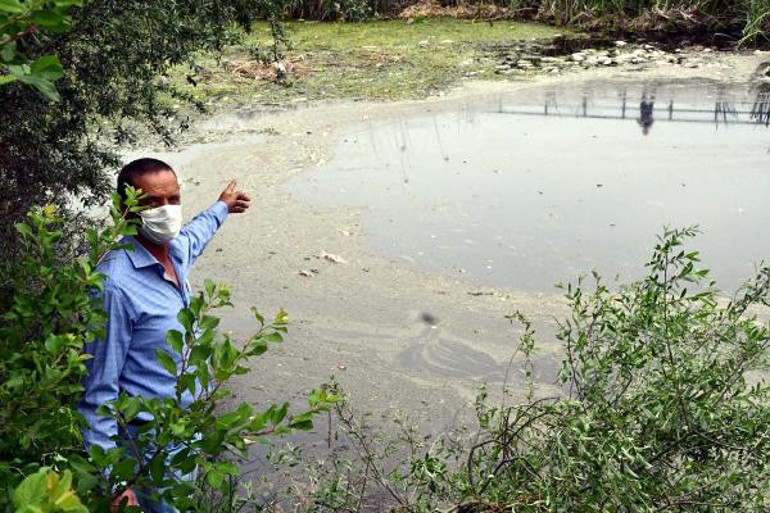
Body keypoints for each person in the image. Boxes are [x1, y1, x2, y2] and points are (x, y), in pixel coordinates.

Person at [78, 158, 251, 512]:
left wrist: (222, 206)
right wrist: (114, 480)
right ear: (124, 209)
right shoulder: (114, 286)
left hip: (182, 431)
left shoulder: (173, 252)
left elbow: (195, 235)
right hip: (144, 444)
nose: (166, 210)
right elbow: (97, 390)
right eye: (152, 202)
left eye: (173, 199)